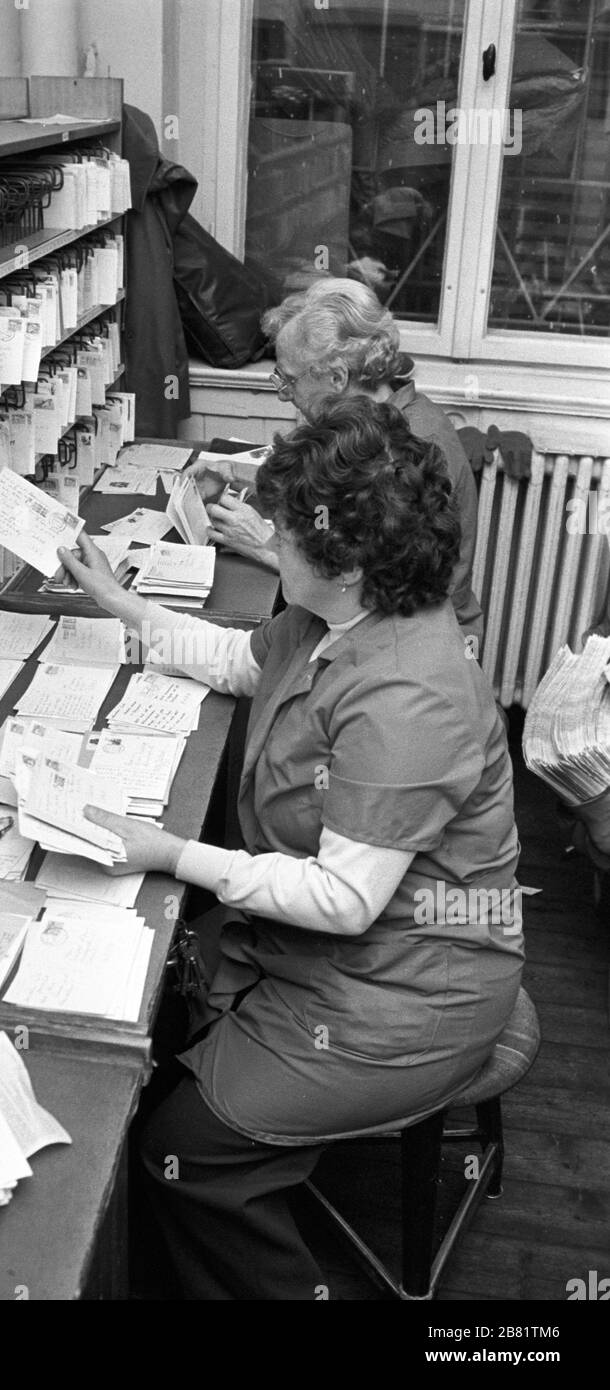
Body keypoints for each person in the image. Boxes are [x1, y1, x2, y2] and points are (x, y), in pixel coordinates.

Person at [56, 397, 523, 1301]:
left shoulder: (408, 696)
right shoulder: (340, 619)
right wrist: (117, 599)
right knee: (162, 1075)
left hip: (409, 988)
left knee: (179, 1152)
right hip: (353, 957)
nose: (267, 533)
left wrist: (170, 853)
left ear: (343, 562)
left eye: (282, 528)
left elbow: (345, 901)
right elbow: (241, 663)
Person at [187, 276, 483, 641]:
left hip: (412, 638)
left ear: (338, 377)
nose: (284, 395)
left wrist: (263, 543)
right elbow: (333, 490)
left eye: (289, 381)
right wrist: (238, 474)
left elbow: (365, 593)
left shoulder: (412, 448)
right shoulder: (362, 429)